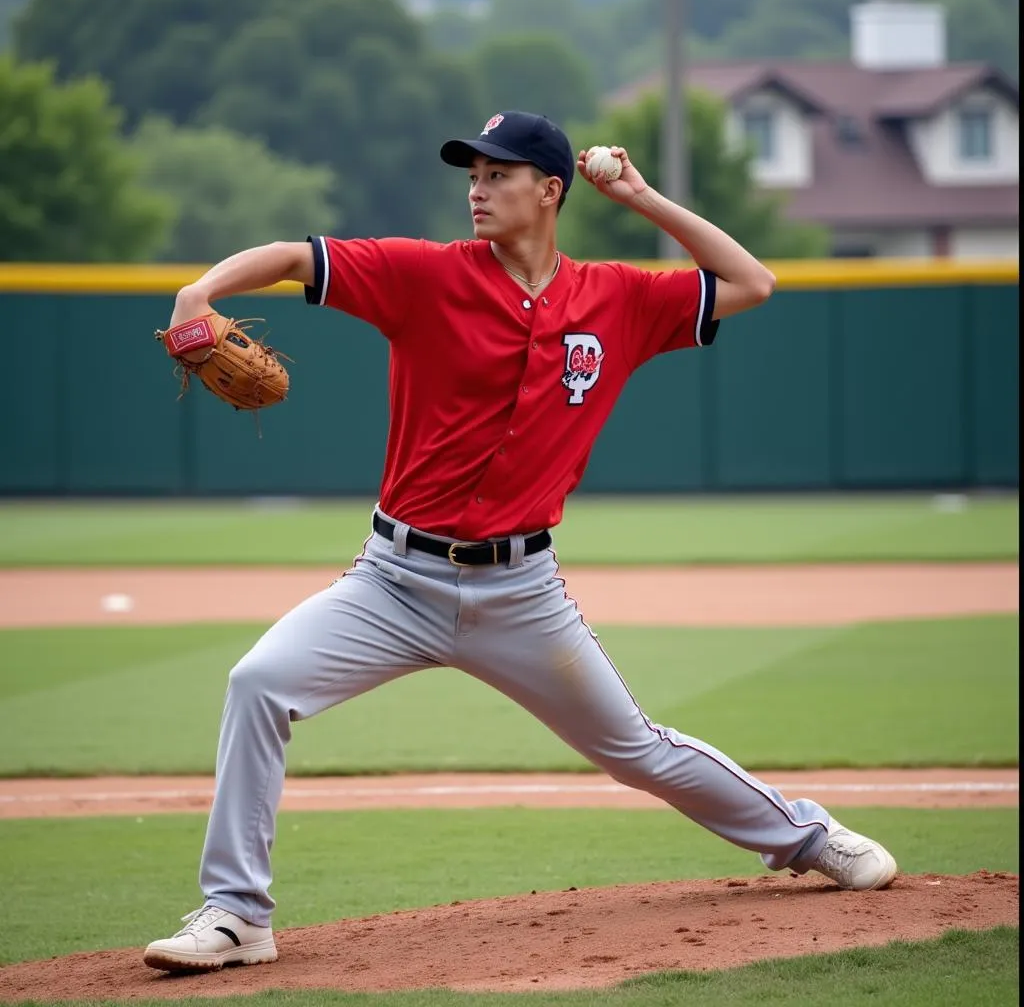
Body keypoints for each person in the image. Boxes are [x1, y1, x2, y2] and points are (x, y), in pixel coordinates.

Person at [143, 110, 897, 973]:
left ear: (550, 191)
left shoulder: (618, 297)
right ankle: (238, 916)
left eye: (499, 174)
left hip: (522, 593)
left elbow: (751, 281)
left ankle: (808, 837)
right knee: (258, 684)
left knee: (638, 750)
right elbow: (288, 257)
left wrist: (642, 195)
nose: (477, 188)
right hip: (393, 583)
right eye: (472, 173)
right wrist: (198, 294)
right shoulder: (420, 275)